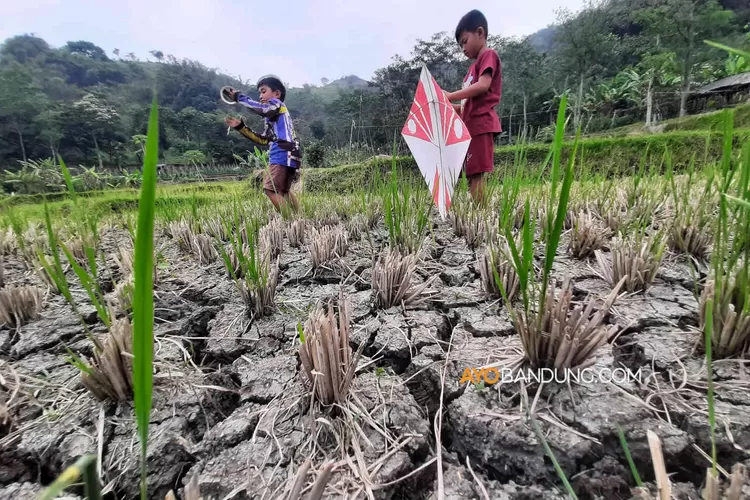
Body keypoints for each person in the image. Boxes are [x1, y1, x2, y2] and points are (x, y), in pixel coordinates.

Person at [445, 9, 502, 206]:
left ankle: (481, 213)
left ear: (480, 32)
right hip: (470, 126)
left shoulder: (488, 55)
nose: (463, 48)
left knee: (476, 172)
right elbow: (463, 106)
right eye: (460, 45)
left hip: (480, 124)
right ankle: (479, 210)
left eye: (464, 41)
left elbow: (484, 85)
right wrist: (446, 104)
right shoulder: (471, 70)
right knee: (471, 172)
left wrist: (451, 94)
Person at [224, 75, 302, 214]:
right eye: (260, 92)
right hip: (292, 152)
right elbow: (263, 140)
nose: (260, 96)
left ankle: (290, 221)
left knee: (269, 189)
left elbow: (263, 109)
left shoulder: (277, 104)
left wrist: (239, 97)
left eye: (263, 91)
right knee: (284, 190)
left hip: (282, 151)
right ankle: (299, 218)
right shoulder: (273, 117)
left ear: (277, 94)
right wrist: (241, 127)